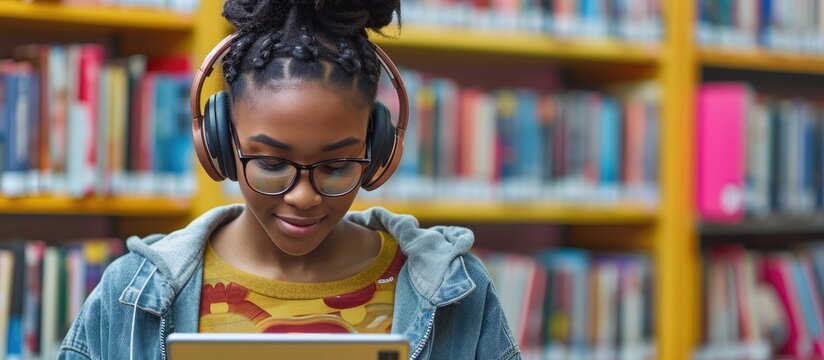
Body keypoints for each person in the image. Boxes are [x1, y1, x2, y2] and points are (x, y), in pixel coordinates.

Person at [58, 0, 520, 359]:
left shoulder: (455, 292)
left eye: (336, 167)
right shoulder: (130, 295)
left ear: (377, 149)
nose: (303, 197)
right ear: (221, 144)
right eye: (272, 164)